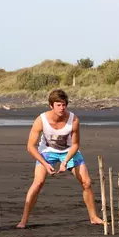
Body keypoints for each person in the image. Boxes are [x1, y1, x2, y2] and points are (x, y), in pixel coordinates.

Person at [16, 89, 103, 228]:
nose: (62, 108)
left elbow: (75, 144)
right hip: (47, 152)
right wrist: (44, 163)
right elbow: (30, 146)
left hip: (68, 151)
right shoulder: (41, 120)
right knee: (38, 183)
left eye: (64, 105)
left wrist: (65, 162)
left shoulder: (73, 120)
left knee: (86, 182)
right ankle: (24, 220)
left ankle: (93, 217)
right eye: (58, 105)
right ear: (51, 105)